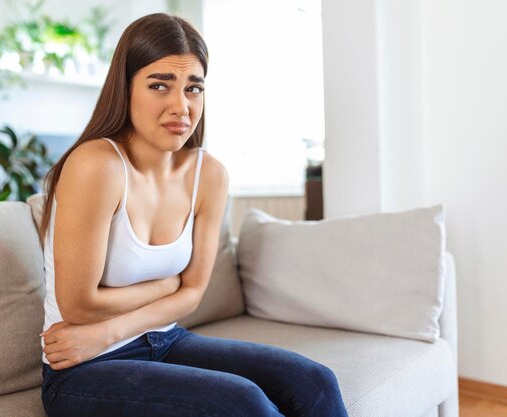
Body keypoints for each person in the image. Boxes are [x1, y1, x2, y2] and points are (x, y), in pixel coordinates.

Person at [37, 13, 349, 417]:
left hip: (161, 341)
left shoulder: (209, 174)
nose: (181, 106)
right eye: (159, 85)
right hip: (81, 369)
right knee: (241, 402)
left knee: (314, 381)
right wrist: (165, 285)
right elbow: (78, 305)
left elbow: (193, 292)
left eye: (194, 88)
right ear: (124, 88)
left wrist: (109, 330)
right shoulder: (97, 165)